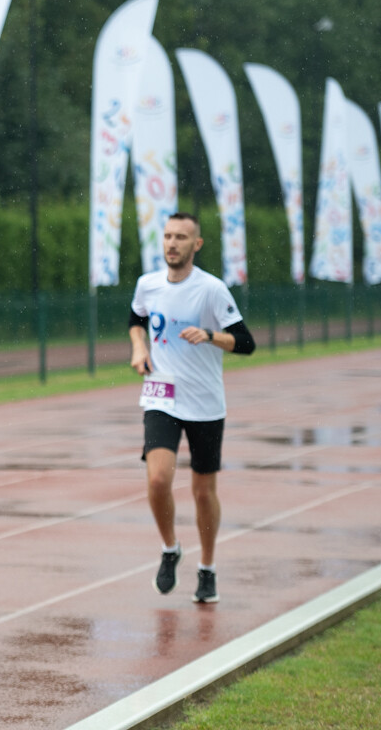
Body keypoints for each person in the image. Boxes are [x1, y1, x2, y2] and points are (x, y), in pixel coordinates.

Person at [128, 212, 255, 604]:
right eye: (167, 236)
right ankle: (170, 549)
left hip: (204, 402)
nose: (172, 243)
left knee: (203, 492)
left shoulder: (211, 290)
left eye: (181, 237)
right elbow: (136, 318)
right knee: (158, 480)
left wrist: (211, 336)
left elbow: (246, 342)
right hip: (161, 395)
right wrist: (139, 347)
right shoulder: (148, 285)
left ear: (196, 244)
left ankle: (208, 567)